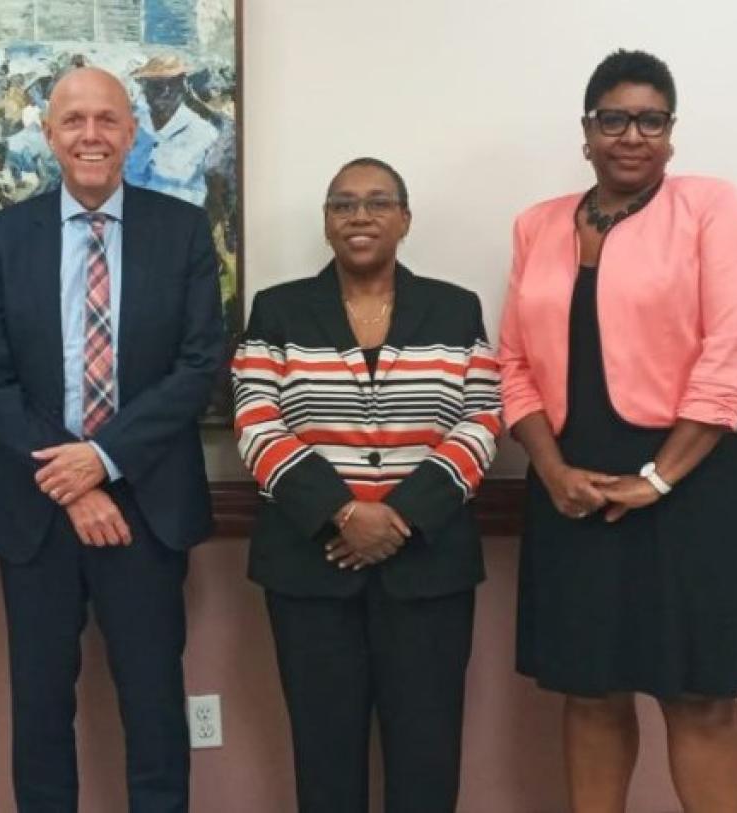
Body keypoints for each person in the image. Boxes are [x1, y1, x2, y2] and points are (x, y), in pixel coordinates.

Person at [498, 49, 737, 813]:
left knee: (700, 693)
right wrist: (549, 471)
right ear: (586, 132)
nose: (632, 135)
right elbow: (513, 361)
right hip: (574, 483)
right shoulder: (536, 224)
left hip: (695, 481)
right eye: (614, 118)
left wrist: (658, 478)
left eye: (652, 120)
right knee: (589, 689)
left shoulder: (710, 206)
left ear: (671, 136)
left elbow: (730, 353)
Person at [0, 66, 224, 812]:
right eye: (73, 120)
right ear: (48, 134)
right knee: (41, 713)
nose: (90, 135)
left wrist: (103, 461)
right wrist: (74, 482)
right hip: (35, 515)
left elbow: (199, 363)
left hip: (147, 510)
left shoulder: (181, 232)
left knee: (154, 709)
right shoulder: (2, 237)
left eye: (106, 120)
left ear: (131, 133)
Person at [232, 157, 500, 812]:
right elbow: (256, 421)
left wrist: (398, 516)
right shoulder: (278, 310)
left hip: (428, 568)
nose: (360, 215)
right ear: (326, 222)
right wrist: (342, 512)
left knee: (428, 757)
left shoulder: (455, 307)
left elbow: (483, 418)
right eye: (343, 203)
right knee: (324, 760)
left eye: (378, 202)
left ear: (405, 219)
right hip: (310, 568)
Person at [124, 55, 218, 205]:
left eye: (173, 84)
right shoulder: (130, 124)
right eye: (157, 85)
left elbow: (217, 194)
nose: (165, 91)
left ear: (183, 87)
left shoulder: (204, 133)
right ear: (144, 87)